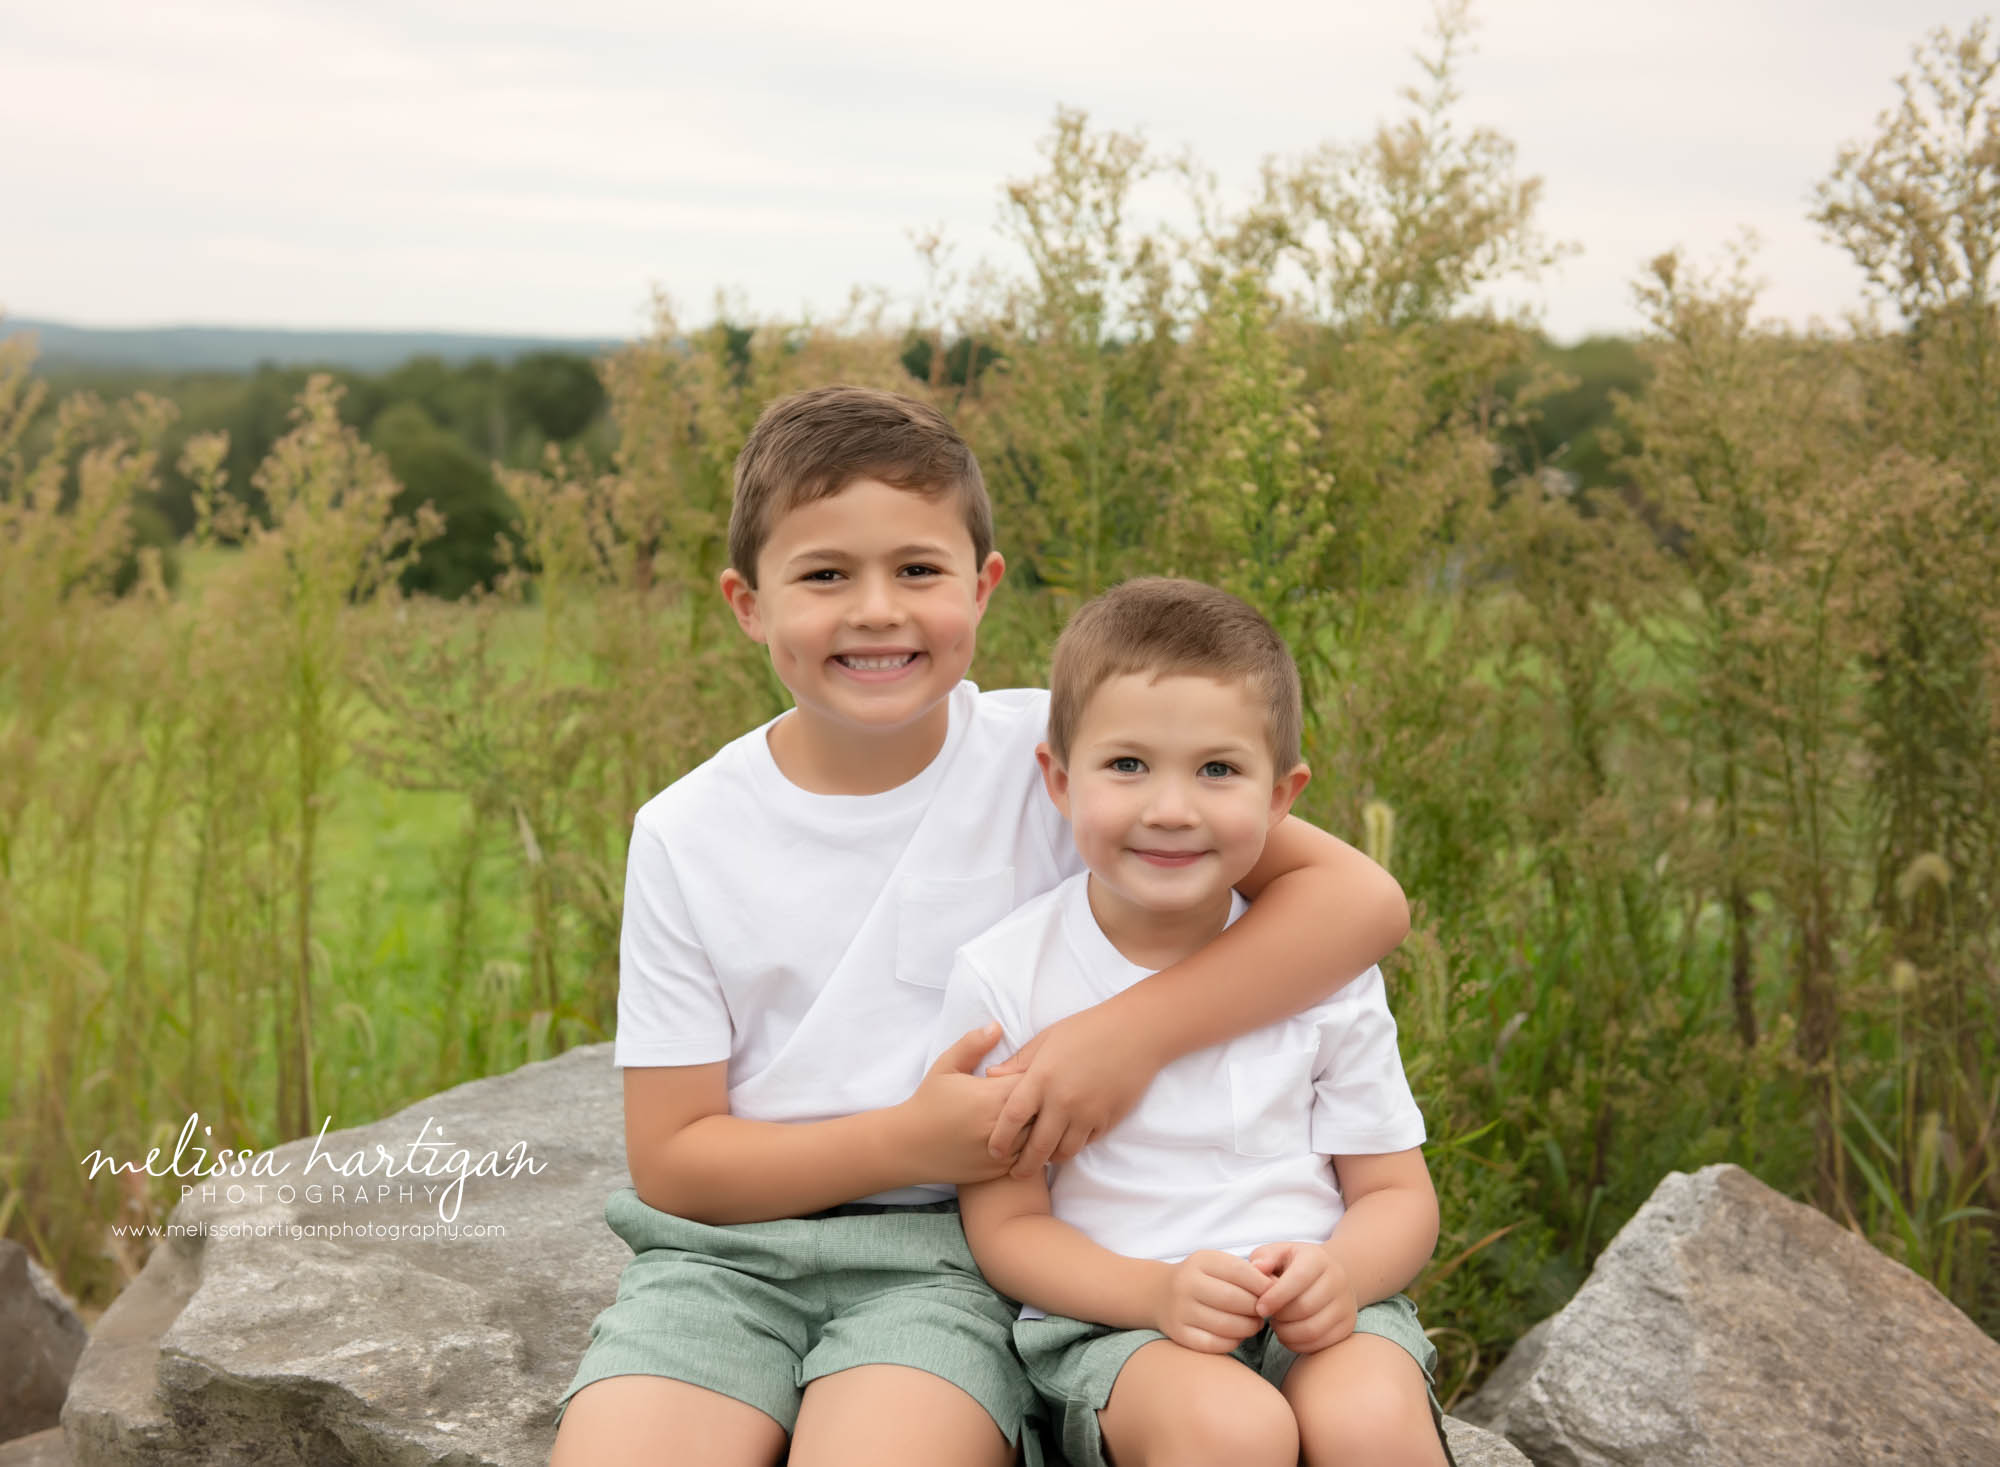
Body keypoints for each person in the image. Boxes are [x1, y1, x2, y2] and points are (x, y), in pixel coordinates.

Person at [549, 387, 1410, 1467]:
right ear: (747, 603)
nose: (875, 611)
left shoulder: (1061, 764)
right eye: (823, 574)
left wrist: (1124, 1037)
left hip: (949, 1256)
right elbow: (673, 1161)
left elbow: (1359, 904)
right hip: (720, 1260)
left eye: (916, 570)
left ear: (982, 585)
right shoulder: (687, 831)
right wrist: (912, 1139)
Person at [937, 577, 1450, 1467]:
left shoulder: (1321, 969)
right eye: (1127, 764)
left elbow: (1398, 1195)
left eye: (1218, 769)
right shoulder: (1009, 974)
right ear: (1060, 779)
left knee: (1368, 1417)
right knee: (1233, 1431)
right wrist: (1155, 1291)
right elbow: (1009, 1228)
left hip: (1323, 1303)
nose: (1171, 807)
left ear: (1283, 795)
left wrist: (1346, 1275)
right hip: (1123, 1324)